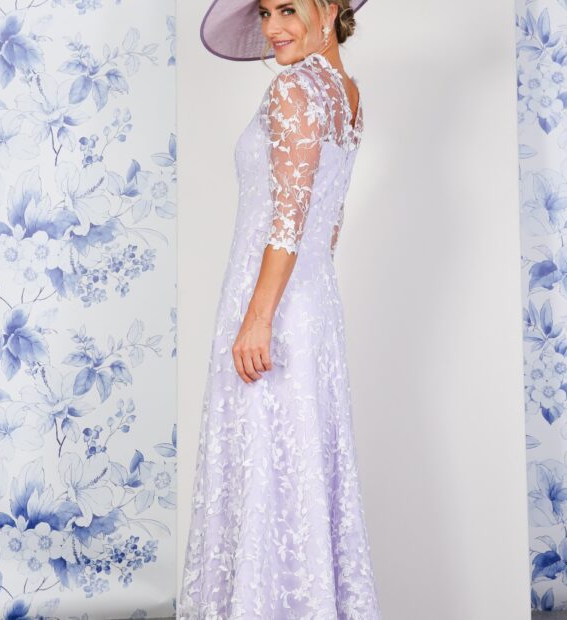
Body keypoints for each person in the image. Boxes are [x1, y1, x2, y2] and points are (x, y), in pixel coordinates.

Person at [178, 0, 381, 617]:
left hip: (272, 307)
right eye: (265, 12)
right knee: (296, 469)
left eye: (289, 8)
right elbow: (330, 225)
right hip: (312, 304)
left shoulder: (294, 90)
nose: (272, 28)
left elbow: (289, 224)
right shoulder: (347, 94)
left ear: (330, 9)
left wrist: (258, 317)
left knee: (267, 469)